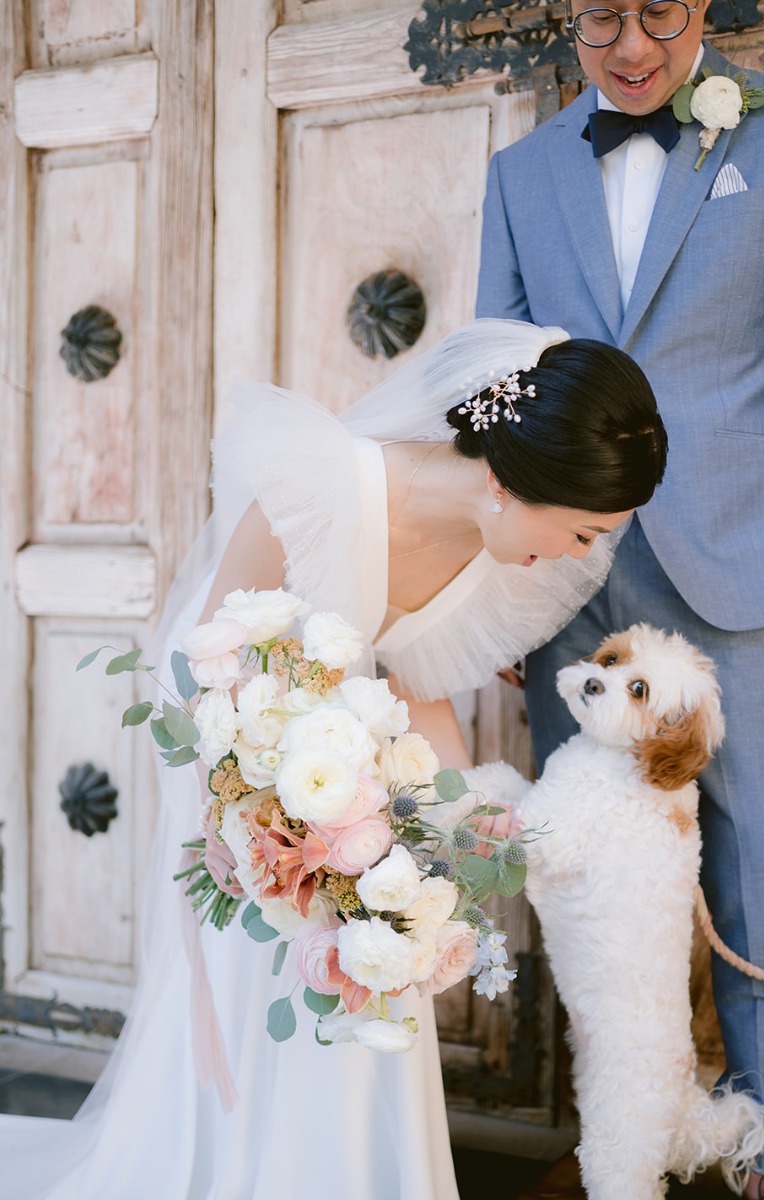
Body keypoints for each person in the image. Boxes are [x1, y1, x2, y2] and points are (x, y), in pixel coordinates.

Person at [0, 319, 667, 1200]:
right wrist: (256, 828)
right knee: (285, 942)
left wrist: (455, 838)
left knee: (390, 923)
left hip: (349, 767)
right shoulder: (319, 482)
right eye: (585, 531)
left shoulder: (496, 546)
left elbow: (422, 683)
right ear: (512, 483)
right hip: (238, 747)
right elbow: (213, 660)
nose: (587, 555)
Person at [475, 4, 764, 1199]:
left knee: (759, 848)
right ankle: (621, 1143)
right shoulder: (520, 170)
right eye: (602, 14)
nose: (633, 44)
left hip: (746, 560)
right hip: (569, 568)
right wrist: (501, 586)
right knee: (588, 870)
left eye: (659, 9)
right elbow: (494, 379)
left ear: (703, 8)